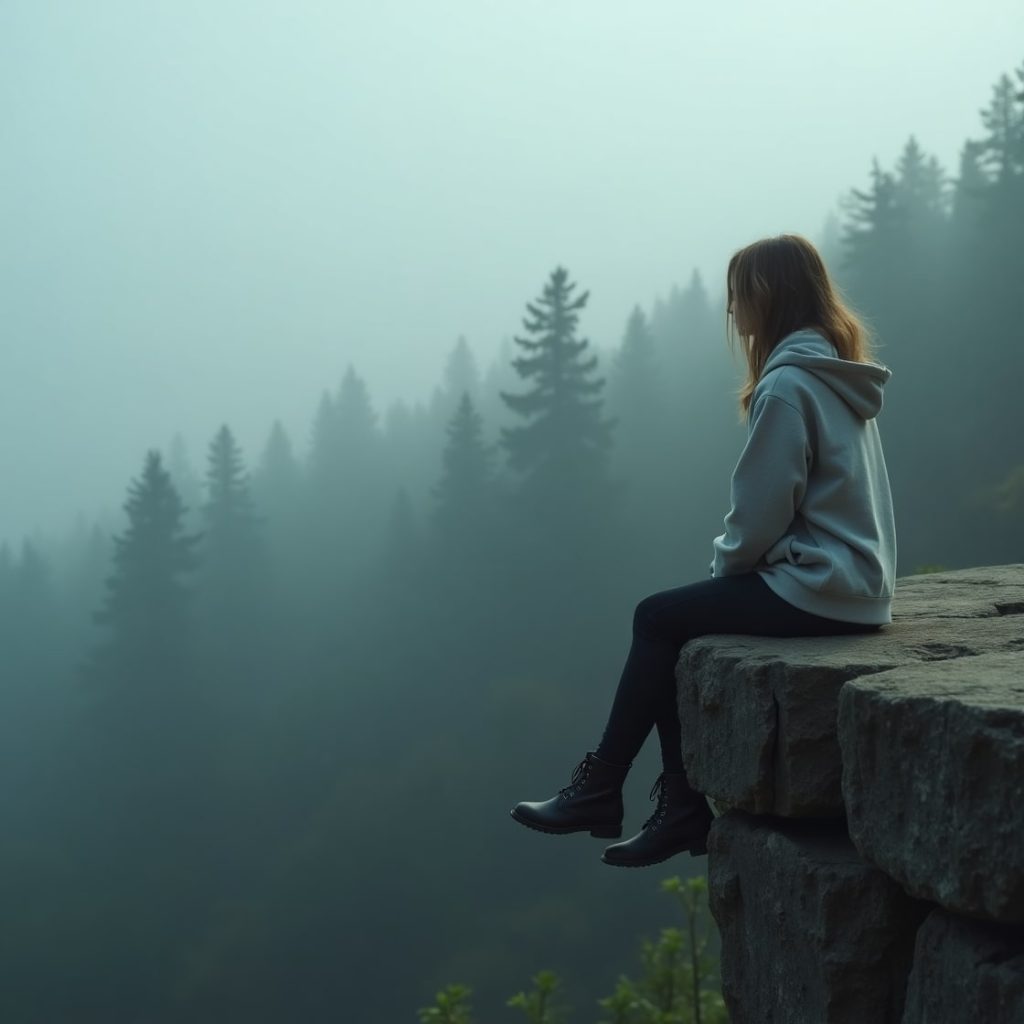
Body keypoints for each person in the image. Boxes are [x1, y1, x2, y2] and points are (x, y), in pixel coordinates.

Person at [509, 233, 897, 868]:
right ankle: (671, 805)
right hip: (858, 585)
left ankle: (605, 787)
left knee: (659, 617)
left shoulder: (787, 387)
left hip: (822, 587)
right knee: (676, 621)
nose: (733, 314)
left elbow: (760, 512)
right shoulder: (838, 374)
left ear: (765, 298)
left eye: (738, 298)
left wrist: (725, 574)